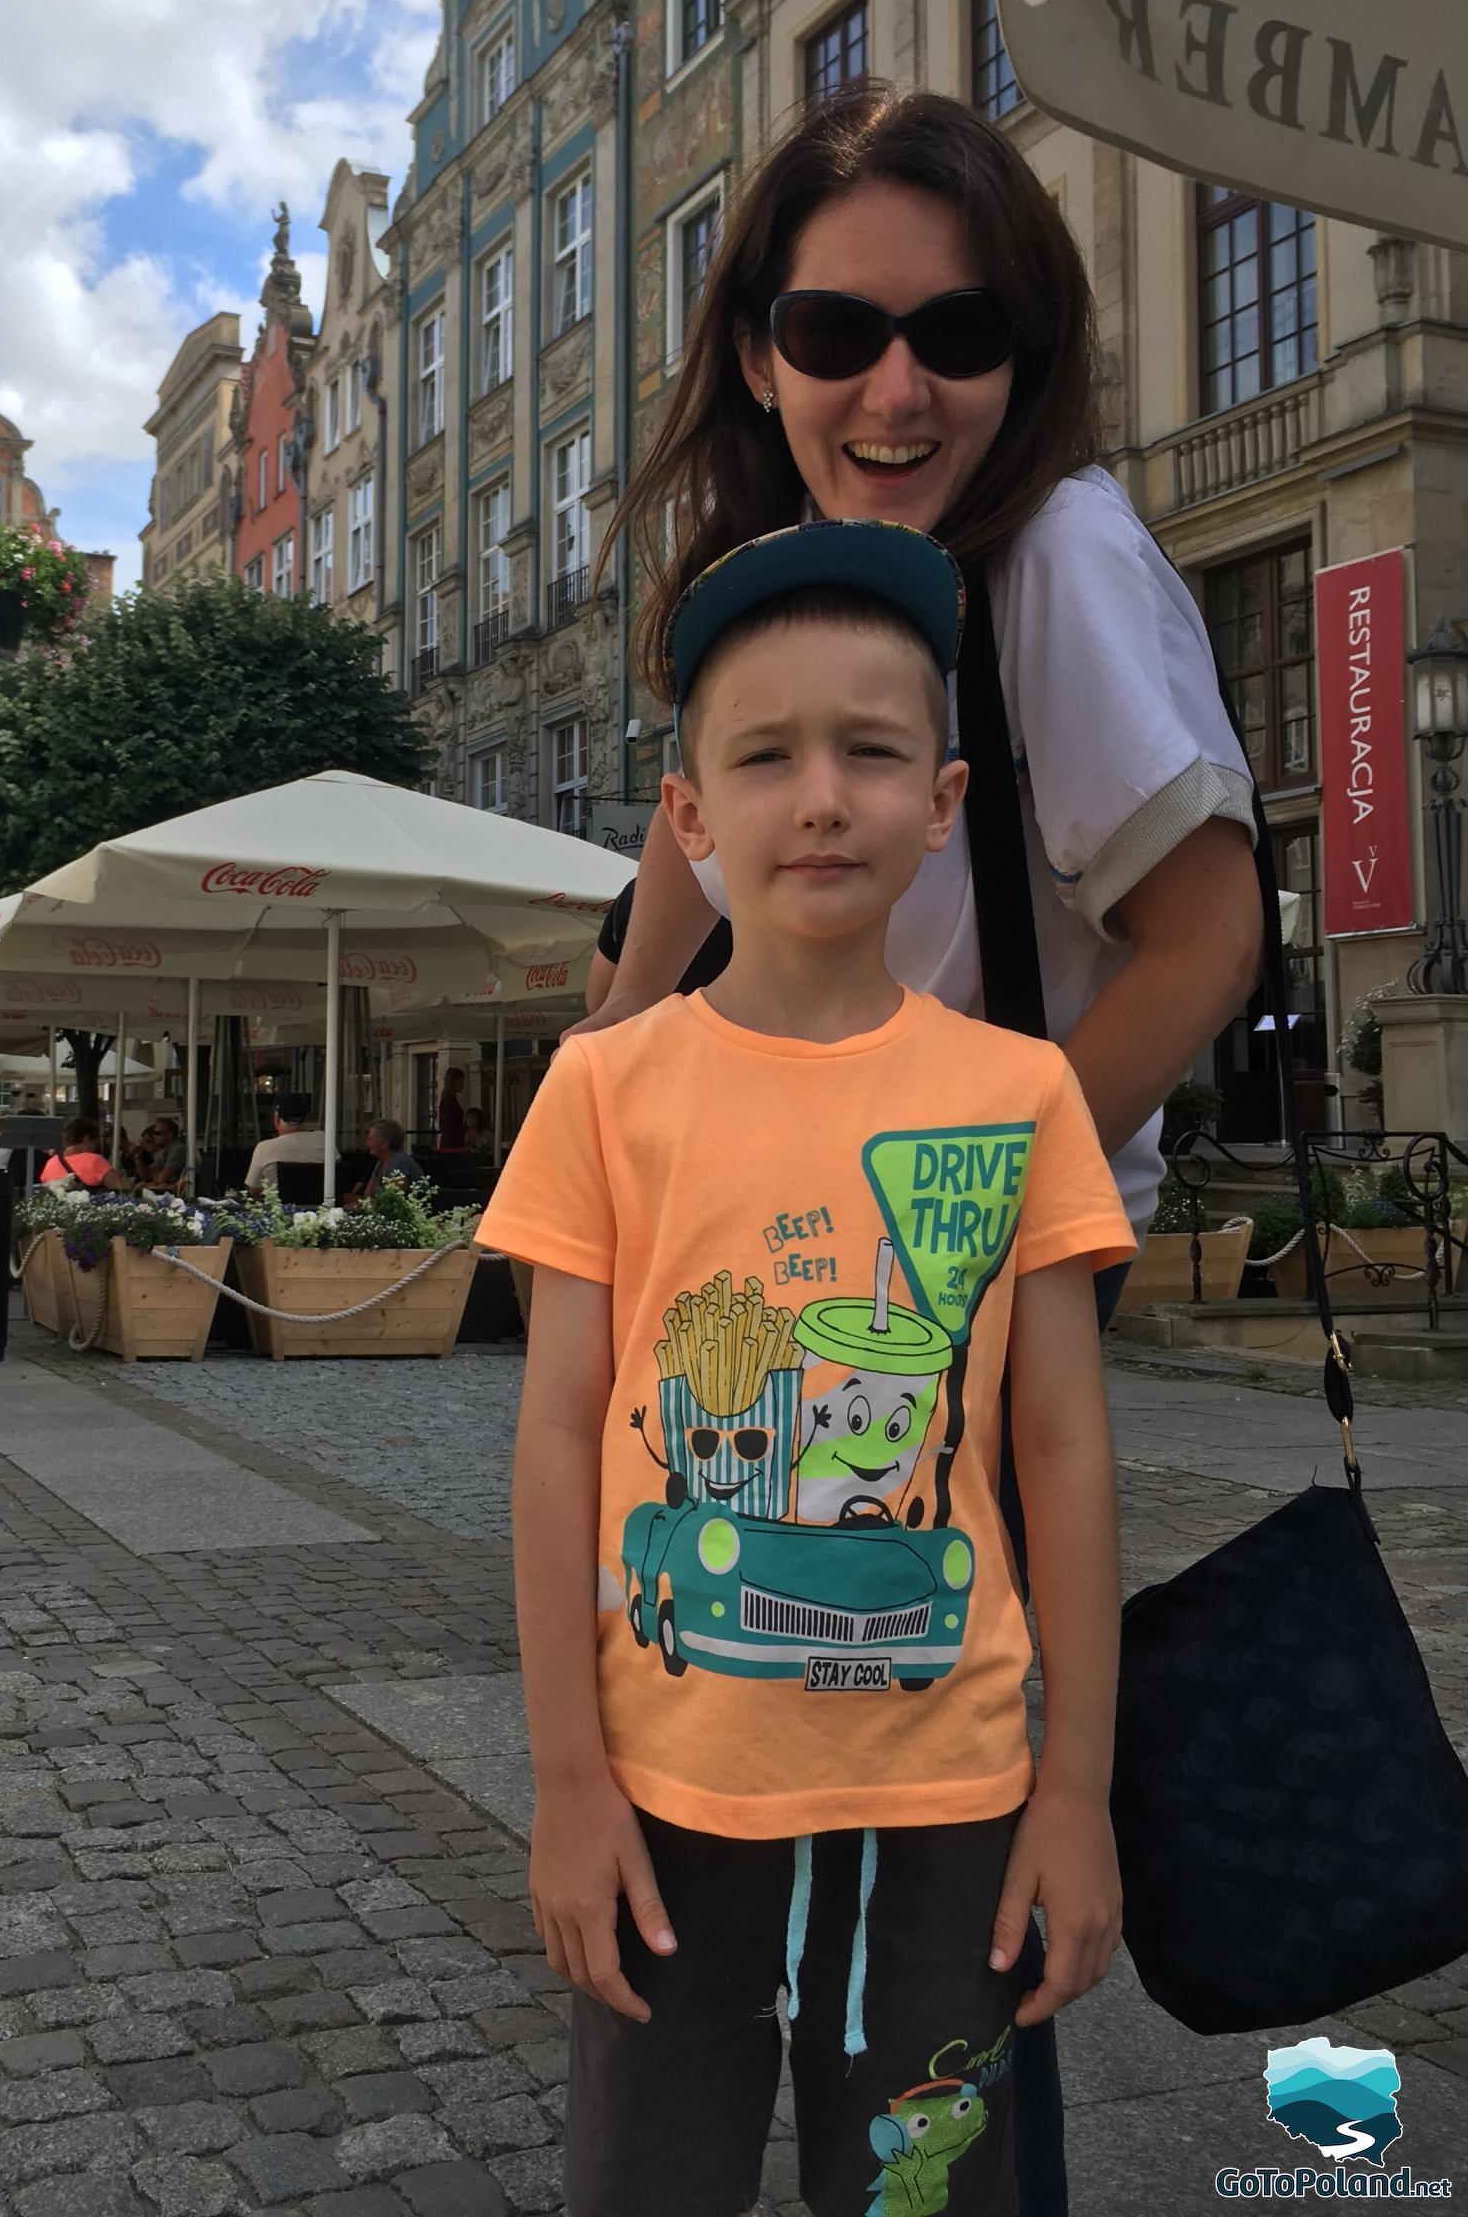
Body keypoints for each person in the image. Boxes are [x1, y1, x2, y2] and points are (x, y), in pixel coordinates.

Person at [580, 86, 1263, 2212]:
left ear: (1027, 353)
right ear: (758, 351)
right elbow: (669, 904)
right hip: (775, 1319)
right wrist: (611, 1094)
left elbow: (1209, 925)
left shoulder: (1049, 550)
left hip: (950, 1340)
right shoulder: (779, 572)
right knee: (745, 1817)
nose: (894, 385)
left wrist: (971, 1218)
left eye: (957, 338)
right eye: (836, 329)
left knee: (942, 1925)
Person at [479, 524, 1133, 2217]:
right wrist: (563, 1783)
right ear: (689, 822)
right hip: (665, 1793)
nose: (821, 798)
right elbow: (556, 1440)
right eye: (764, 757)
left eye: (871, 751)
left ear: (946, 797)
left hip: (953, 1805)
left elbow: (1059, 1449)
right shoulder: (608, 1094)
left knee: (927, 2196)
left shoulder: (1017, 1096)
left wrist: (1077, 1793)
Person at [242, 1092, 330, 1193]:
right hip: (324, 1208)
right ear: (305, 1119)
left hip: (278, 1208)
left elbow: (254, 1191)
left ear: (276, 1118)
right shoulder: (324, 1140)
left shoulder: (264, 1148)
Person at [346, 1116, 424, 1205]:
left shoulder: (400, 1162)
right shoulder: (380, 1162)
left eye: (370, 1139)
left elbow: (393, 1201)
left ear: (385, 1144)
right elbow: (368, 1196)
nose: (366, 1144)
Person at [38, 1116, 116, 1190]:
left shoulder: (50, 1163)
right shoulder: (94, 1160)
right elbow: (120, 1187)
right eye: (95, 1143)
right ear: (87, 1139)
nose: (94, 1148)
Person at [436, 1067, 468, 1153]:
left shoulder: (448, 1099)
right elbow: (448, 1125)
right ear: (454, 1082)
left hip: (451, 1141)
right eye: (461, 1082)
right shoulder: (449, 1101)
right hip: (452, 1143)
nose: (463, 1085)